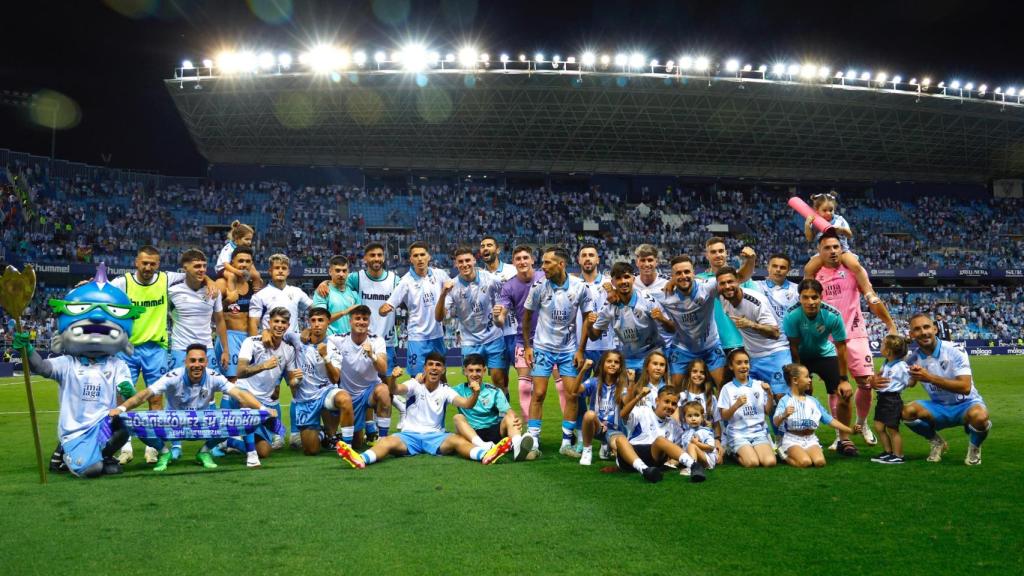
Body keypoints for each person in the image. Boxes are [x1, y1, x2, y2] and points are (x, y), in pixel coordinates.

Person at [13, 265, 139, 478]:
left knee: (124, 425)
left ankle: (103, 454)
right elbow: (42, 368)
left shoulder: (117, 364)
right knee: (92, 470)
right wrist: (28, 350)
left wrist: (127, 390)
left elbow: (127, 390)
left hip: (101, 428)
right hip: (75, 433)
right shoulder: (67, 363)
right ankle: (66, 454)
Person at [110, 245, 217, 464]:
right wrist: (87, 285)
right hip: (127, 349)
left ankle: (153, 447)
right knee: (123, 398)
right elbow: (101, 289)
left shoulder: (166, 279)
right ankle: (125, 447)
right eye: (144, 263)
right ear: (136, 263)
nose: (148, 267)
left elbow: (196, 273)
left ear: (158, 264)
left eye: (153, 263)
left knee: (156, 398)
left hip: (156, 349)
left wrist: (210, 281)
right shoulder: (123, 283)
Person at [335, 352, 507, 467]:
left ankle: (485, 455)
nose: (434, 368)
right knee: (386, 442)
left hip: (436, 436)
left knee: (457, 440)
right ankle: (361, 459)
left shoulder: (446, 390)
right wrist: (393, 379)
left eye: (438, 365)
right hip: (409, 436)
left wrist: (475, 394)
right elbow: (395, 390)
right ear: (424, 368)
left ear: (443, 370)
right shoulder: (414, 384)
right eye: (430, 364)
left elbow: (467, 404)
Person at [118, 344, 271, 470]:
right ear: (185, 362)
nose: (196, 365)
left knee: (231, 420)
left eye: (200, 360)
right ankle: (164, 452)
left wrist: (263, 408)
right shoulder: (173, 377)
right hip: (173, 423)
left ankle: (204, 452)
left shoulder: (214, 377)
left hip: (201, 424)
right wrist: (121, 409)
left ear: (206, 362)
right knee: (138, 423)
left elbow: (239, 394)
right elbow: (145, 394)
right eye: (192, 361)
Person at [814, 230, 898, 448]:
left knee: (866, 383)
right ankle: (840, 434)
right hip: (829, 340)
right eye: (827, 248)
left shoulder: (853, 270)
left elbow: (872, 298)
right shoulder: (815, 274)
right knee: (834, 387)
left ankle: (862, 423)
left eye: (836, 247)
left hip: (855, 334)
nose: (833, 251)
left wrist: (890, 324)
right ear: (818, 252)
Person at [521, 245, 595, 458]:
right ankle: (533, 441)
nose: (542, 267)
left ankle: (566, 443)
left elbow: (588, 320)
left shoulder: (580, 288)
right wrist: (528, 346)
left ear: (561, 264)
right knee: (539, 393)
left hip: (568, 350)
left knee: (572, 394)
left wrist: (581, 350)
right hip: (543, 348)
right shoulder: (538, 287)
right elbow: (526, 319)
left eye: (547, 262)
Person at [782, 278, 858, 456]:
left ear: (821, 297)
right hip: (801, 357)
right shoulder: (792, 315)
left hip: (825, 355)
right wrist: (800, 374)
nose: (810, 302)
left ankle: (844, 439)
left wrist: (844, 379)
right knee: (801, 397)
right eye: (805, 297)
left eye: (814, 297)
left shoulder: (833, 315)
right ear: (799, 298)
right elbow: (793, 346)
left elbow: (841, 347)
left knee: (844, 394)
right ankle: (802, 437)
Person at [903, 313, 990, 465]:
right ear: (911, 334)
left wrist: (928, 377)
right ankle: (937, 442)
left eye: (926, 327)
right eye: (917, 329)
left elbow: (965, 387)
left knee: (980, 417)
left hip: (966, 404)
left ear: (935, 329)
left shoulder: (955, 349)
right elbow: (905, 382)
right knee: (906, 411)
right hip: (939, 407)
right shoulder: (913, 359)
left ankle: (974, 447)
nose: (923, 332)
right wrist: (878, 380)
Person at [345, 242, 401, 439]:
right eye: (372, 256)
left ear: (383, 257)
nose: (376, 259)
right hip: (361, 338)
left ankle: (380, 428)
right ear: (365, 259)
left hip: (386, 340)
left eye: (379, 255)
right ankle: (370, 426)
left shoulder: (395, 279)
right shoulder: (356, 278)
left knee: (386, 386)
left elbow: (408, 291)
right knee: (363, 380)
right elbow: (339, 281)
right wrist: (326, 284)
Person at [233, 307, 301, 466]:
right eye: (276, 321)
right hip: (245, 394)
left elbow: (291, 382)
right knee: (244, 401)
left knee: (264, 451)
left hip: (265, 402)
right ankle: (247, 448)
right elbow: (240, 372)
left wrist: (297, 380)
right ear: (269, 323)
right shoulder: (251, 342)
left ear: (288, 325)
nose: (279, 325)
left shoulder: (288, 350)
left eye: (283, 322)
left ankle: (231, 442)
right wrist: (263, 366)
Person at [493, 245, 552, 426]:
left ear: (533, 260)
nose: (522, 261)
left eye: (525, 257)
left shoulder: (545, 278)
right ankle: (531, 432)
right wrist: (498, 317)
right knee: (525, 387)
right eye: (518, 259)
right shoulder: (509, 286)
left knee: (562, 388)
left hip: (552, 341)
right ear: (513, 262)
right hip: (524, 341)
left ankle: (571, 435)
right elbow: (501, 318)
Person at [282, 308, 354, 456]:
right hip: (305, 399)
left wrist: (326, 357)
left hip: (325, 393)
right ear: (309, 322)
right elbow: (279, 334)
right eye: (313, 320)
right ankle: (323, 434)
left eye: (321, 320)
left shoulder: (333, 346)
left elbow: (335, 379)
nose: (317, 324)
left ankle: (347, 446)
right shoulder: (296, 338)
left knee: (344, 399)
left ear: (328, 322)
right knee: (311, 450)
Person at [435, 247, 506, 393]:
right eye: (460, 261)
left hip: (493, 337)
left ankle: (503, 413)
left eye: (468, 260)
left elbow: (506, 296)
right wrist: (442, 294)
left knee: (499, 379)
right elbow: (439, 317)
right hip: (470, 340)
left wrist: (501, 311)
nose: (464, 264)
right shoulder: (452, 286)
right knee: (473, 382)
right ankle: (475, 414)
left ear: (474, 260)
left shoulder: (491, 279)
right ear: (455, 264)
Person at [716, 266, 791, 397]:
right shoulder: (723, 298)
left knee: (781, 398)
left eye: (730, 282)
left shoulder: (756, 302)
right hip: (753, 357)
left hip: (775, 352)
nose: (727, 286)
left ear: (738, 281)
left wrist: (751, 324)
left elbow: (775, 333)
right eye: (722, 283)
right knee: (756, 400)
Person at [587, 261, 672, 376]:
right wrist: (589, 324)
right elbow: (593, 336)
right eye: (618, 278)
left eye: (627, 277)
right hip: (628, 359)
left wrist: (663, 319)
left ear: (633, 279)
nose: (623, 282)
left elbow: (671, 329)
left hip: (653, 355)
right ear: (613, 282)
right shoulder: (608, 307)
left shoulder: (647, 301)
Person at [380, 241, 449, 379]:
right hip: (418, 337)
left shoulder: (440, 274)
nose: (420, 258)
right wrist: (384, 309)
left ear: (429, 256)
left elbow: (455, 285)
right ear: (411, 259)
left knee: (442, 376)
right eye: (415, 255)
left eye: (422, 254)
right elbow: (387, 306)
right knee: (418, 379)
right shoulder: (405, 281)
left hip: (437, 335)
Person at [325, 305, 392, 447]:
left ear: (369, 322)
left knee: (384, 390)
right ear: (350, 321)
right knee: (357, 443)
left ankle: (383, 439)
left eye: (365, 319)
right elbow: (321, 325)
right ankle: (347, 444)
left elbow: (383, 369)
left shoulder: (377, 340)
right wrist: (305, 332)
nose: (361, 322)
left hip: (370, 392)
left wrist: (372, 355)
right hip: (349, 396)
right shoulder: (337, 340)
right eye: (357, 318)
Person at [451, 354, 534, 462]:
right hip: (472, 433)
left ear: (484, 370)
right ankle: (483, 446)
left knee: (510, 417)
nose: (474, 374)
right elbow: (438, 391)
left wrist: (515, 419)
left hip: (493, 431)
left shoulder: (494, 391)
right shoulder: (457, 390)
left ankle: (518, 446)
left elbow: (508, 411)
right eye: (471, 370)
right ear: (465, 371)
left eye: (478, 370)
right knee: (458, 417)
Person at [659, 255, 726, 388]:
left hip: (711, 346)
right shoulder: (664, 294)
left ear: (693, 273)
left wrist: (750, 261)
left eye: (687, 272)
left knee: (723, 388)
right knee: (673, 392)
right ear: (671, 276)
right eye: (678, 273)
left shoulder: (707, 287)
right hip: (682, 349)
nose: (683, 276)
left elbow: (738, 277)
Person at [772, 363, 854, 468]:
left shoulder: (813, 401)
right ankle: (783, 455)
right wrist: (783, 415)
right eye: (806, 377)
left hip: (810, 439)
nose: (810, 380)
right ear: (795, 380)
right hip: (792, 439)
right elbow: (775, 422)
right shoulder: (785, 400)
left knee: (820, 462)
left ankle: (801, 453)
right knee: (805, 462)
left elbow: (830, 420)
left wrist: (850, 430)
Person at [801, 192, 877, 304]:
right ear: (817, 210)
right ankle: (810, 294)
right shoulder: (815, 221)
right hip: (823, 254)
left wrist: (841, 230)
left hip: (842, 251)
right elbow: (809, 238)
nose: (828, 213)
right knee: (808, 269)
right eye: (825, 210)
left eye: (831, 210)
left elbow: (849, 234)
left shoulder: (839, 219)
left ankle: (868, 292)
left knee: (855, 265)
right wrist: (807, 225)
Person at [612, 386, 689, 483]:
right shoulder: (643, 411)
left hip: (653, 459)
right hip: (630, 457)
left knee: (660, 440)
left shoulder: (674, 425)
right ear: (657, 400)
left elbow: (679, 448)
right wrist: (639, 397)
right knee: (620, 439)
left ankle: (693, 465)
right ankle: (644, 469)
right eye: (666, 401)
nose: (670, 406)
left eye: (674, 404)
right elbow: (622, 414)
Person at [696, 238, 757, 357]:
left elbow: (756, 307)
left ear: (726, 253)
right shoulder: (699, 280)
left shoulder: (744, 279)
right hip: (709, 344)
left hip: (739, 342)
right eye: (713, 252)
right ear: (706, 255)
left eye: (721, 251)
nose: (718, 255)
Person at [717, 349, 776, 468]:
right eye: (739, 363)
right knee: (752, 463)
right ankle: (732, 451)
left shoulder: (759, 385)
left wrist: (770, 395)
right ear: (731, 366)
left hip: (758, 432)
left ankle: (753, 449)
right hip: (738, 434)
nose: (744, 366)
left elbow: (767, 411)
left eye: (746, 362)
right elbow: (724, 416)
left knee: (770, 462)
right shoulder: (727, 388)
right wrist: (736, 405)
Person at [479, 235, 518, 389]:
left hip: (514, 331)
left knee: (525, 379)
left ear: (498, 249)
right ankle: (504, 412)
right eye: (482, 246)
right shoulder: (479, 276)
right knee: (499, 380)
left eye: (489, 245)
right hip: (494, 335)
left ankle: (530, 413)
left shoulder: (512, 271)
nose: (485, 248)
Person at [578, 350, 629, 466]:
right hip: (596, 427)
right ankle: (587, 450)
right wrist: (583, 370)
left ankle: (606, 445)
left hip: (614, 430)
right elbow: (574, 391)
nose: (612, 364)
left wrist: (630, 382)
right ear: (602, 364)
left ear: (620, 366)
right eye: (609, 361)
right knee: (589, 414)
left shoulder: (622, 385)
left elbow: (627, 403)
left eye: (616, 362)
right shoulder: (594, 382)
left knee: (623, 456)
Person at [215, 246, 257, 382]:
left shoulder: (253, 286)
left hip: (248, 338)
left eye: (247, 261)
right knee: (233, 382)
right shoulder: (222, 283)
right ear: (232, 262)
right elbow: (210, 315)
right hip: (229, 337)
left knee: (248, 382)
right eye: (240, 261)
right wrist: (227, 301)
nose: (244, 264)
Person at [574, 244, 614, 382]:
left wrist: (612, 293)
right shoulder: (573, 284)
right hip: (579, 347)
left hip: (605, 346)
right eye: (584, 255)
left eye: (591, 255)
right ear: (579, 260)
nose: (587, 258)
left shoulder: (610, 283)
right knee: (576, 392)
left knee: (602, 392)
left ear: (598, 259)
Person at [868, 334, 911, 464]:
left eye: (882, 344)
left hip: (892, 399)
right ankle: (888, 452)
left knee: (892, 429)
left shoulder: (901, 366)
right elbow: (880, 377)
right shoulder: (887, 362)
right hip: (882, 399)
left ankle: (898, 455)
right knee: (879, 426)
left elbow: (909, 381)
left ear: (888, 351)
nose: (880, 345)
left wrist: (912, 378)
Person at [632, 244, 674, 350]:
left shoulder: (668, 283)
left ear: (657, 261)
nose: (646, 264)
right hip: (639, 345)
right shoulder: (629, 282)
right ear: (637, 262)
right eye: (643, 260)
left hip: (666, 344)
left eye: (650, 260)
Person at [312, 255, 362, 336]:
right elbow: (320, 320)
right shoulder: (322, 291)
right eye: (337, 270)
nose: (341, 274)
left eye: (344, 271)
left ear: (348, 272)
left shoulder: (354, 294)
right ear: (330, 271)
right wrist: (344, 312)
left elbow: (360, 320)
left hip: (350, 342)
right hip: (329, 341)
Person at [753, 253, 800, 329]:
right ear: (768, 267)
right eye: (774, 266)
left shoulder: (797, 290)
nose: (778, 270)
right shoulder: (756, 286)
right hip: (764, 336)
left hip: (790, 337)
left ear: (788, 270)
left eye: (782, 267)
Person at [677, 400, 716, 480]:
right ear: (685, 418)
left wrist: (697, 444)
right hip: (697, 459)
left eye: (696, 415)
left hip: (707, 460)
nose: (693, 418)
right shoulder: (685, 434)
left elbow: (711, 447)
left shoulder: (705, 431)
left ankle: (692, 467)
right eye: (689, 416)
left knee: (692, 446)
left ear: (702, 417)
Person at [215, 220, 260, 285]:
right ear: (237, 238)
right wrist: (237, 272)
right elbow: (226, 265)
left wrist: (255, 274)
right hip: (223, 269)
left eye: (250, 239)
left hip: (236, 267)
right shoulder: (228, 248)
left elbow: (250, 264)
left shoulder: (244, 248)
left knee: (256, 275)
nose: (249, 242)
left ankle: (256, 292)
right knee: (232, 276)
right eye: (246, 239)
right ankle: (232, 293)